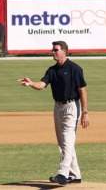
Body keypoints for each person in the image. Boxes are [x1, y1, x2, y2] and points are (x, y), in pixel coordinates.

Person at [18, 40, 89, 185]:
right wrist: (31, 83)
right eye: (53, 50)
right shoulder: (52, 70)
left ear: (64, 51)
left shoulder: (75, 69)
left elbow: (82, 90)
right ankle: (75, 174)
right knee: (63, 142)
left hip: (72, 107)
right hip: (58, 107)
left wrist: (85, 112)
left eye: (56, 50)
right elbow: (42, 85)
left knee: (67, 139)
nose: (53, 52)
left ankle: (63, 173)